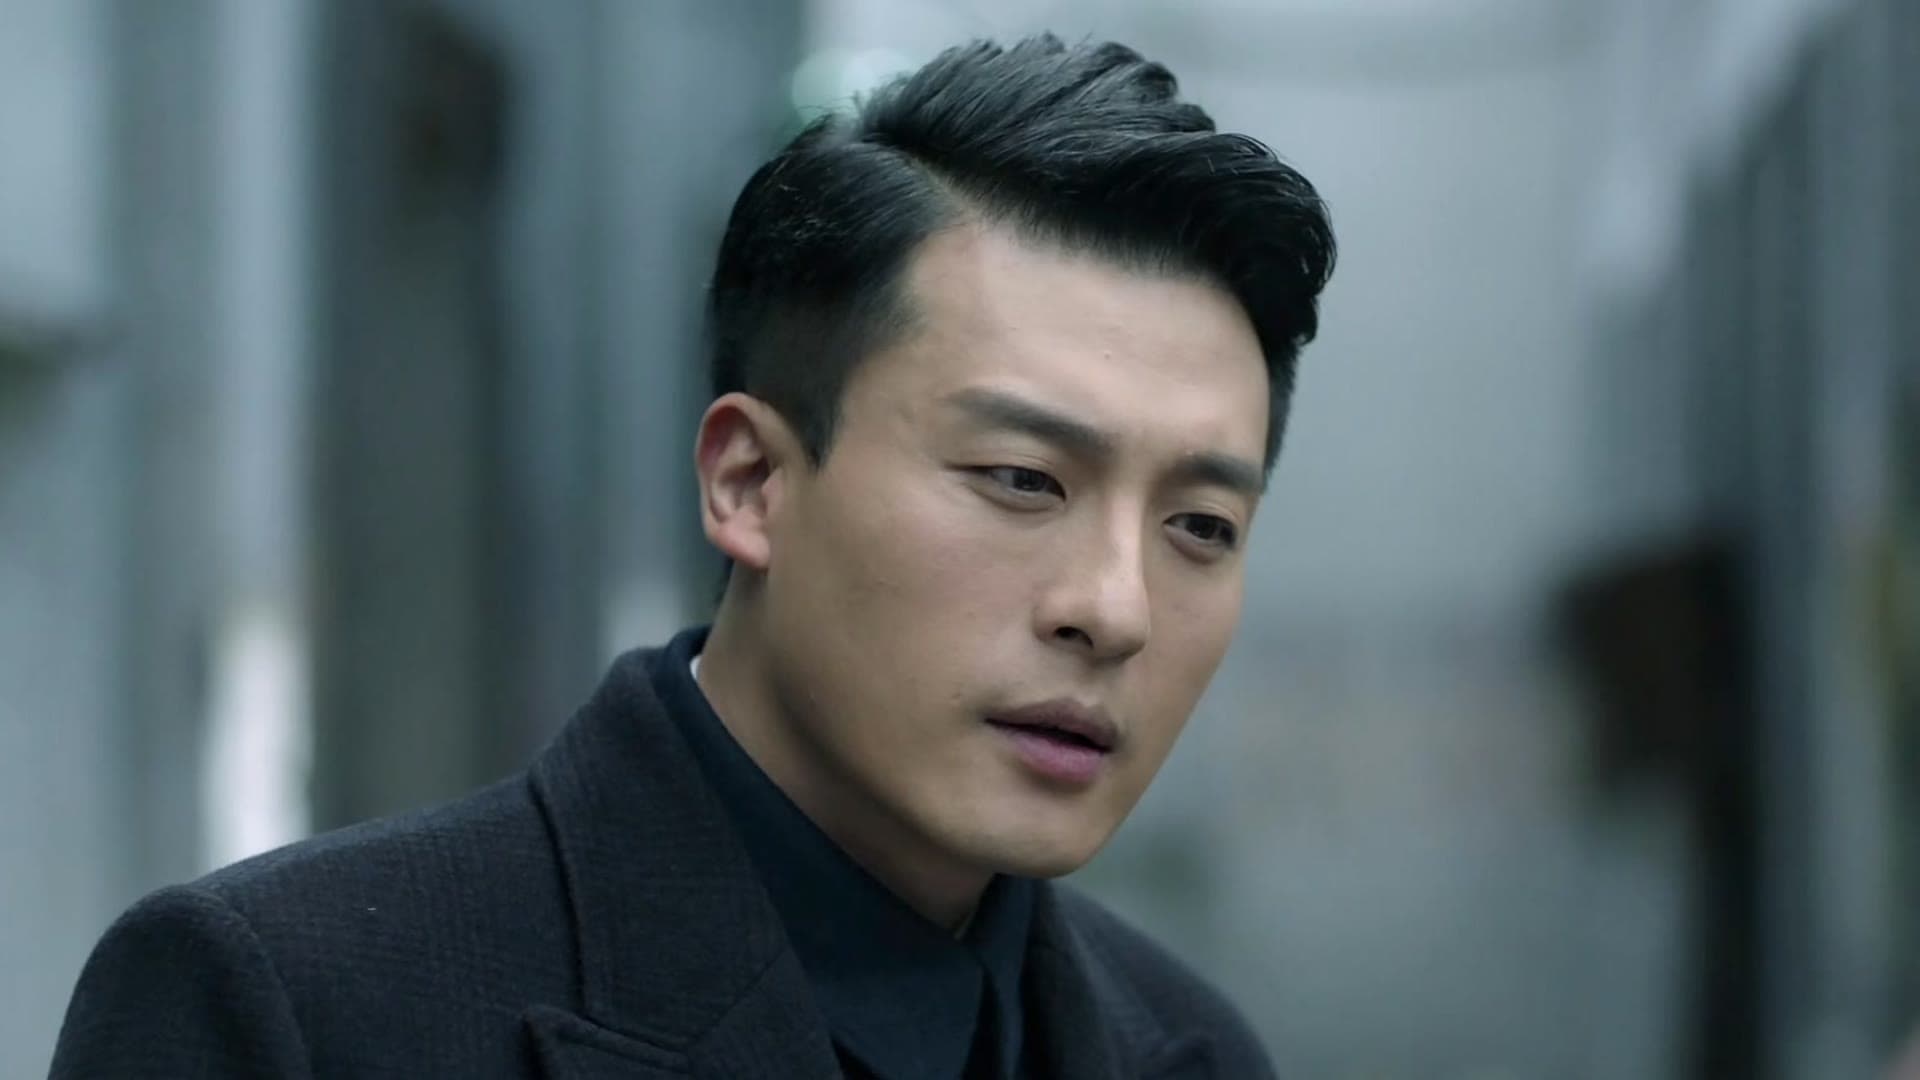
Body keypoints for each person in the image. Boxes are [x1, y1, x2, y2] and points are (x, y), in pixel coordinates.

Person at [51, 32, 1334, 1080]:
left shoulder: (1193, 1050)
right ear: (750, 482)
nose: (1114, 608)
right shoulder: (290, 1011)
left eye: (1200, 527)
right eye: (1021, 479)